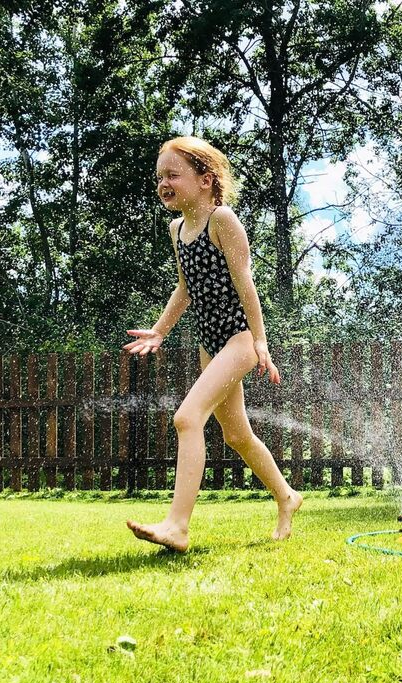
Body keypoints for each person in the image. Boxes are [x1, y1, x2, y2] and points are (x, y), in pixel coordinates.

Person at [123, 136, 302, 551]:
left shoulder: (223, 220)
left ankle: (177, 526)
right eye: (160, 177)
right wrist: (160, 329)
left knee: (187, 418)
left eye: (173, 175)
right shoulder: (177, 229)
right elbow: (185, 289)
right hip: (210, 343)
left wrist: (260, 342)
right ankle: (287, 497)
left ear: (205, 179)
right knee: (237, 435)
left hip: (238, 340)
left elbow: (247, 285)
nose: (163, 183)